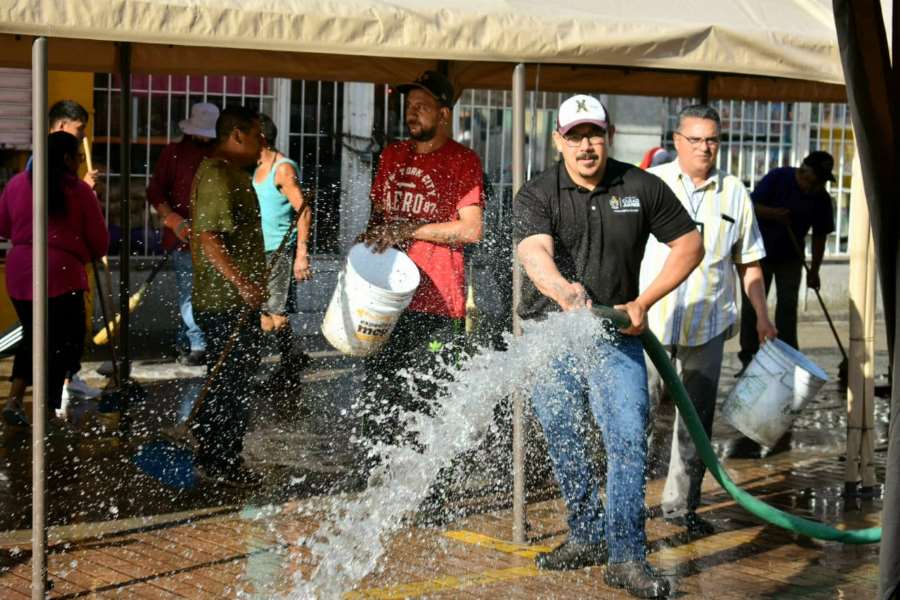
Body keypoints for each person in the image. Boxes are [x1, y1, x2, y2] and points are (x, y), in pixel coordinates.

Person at [514, 94, 703, 598]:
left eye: (593, 134)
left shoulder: (640, 185)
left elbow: (690, 245)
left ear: (609, 134)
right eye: (574, 136)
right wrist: (561, 289)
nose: (585, 145)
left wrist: (643, 301)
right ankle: (585, 533)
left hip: (616, 333)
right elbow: (534, 252)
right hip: (551, 335)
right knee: (563, 439)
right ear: (558, 140)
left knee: (626, 441)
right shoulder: (538, 193)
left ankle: (625, 556)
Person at [641, 105, 777, 537]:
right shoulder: (652, 185)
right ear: (677, 141)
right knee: (634, 421)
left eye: (712, 140)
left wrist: (763, 317)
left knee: (694, 426)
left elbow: (749, 263)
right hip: (650, 327)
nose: (705, 148)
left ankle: (681, 509)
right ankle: (622, 508)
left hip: (708, 327)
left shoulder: (735, 192)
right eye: (696, 139)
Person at [357, 70, 484, 446]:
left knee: (431, 405)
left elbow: (471, 230)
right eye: (409, 106)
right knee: (378, 399)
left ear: (444, 114)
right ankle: (374, 483)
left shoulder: (464, 161)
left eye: (421, 107)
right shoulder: (393, 155)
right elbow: (378, 220)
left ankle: (431, 497)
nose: (411, 114)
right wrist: (367, 243)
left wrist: (408, 230)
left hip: (438, 305)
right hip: (385, 300)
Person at [0, 132, 109, 427]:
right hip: (62, 276)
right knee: (62, 345)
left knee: (33, 335)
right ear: (66, 159)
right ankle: (47, 410)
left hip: (21, 273)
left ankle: (14, 399)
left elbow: (4, 227)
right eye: (78, 157)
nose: (79, 163)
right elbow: (100, 241)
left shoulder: (16, 184)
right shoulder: (79, 191)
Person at [190, 105, 267, 485]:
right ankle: (220, 461)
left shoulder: (233, 174)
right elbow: (208, 239)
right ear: (237, 134)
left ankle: (215, 455)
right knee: (228, 386)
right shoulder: (218, 176)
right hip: (226, 303)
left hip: (235, 302)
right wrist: (243, 284)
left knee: (230, 383)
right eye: (257, 135)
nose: (262, 144)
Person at [738, 151, 837, 371]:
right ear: (803, 171)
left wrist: (814, 270)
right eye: (812, 180)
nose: (815, 187)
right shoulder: (778, 178)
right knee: (753, 306)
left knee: (788, 306)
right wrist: (773, 214)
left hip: (791, 257)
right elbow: (750, 207)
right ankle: (749, 357)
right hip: (760, 254)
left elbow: (820, 235)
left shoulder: (821, 199)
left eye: (820, 182)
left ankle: (787, 356)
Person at [147, 102, 219, 366]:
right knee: (189, 293)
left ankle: (186, 339)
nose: (204, 138)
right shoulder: (173, 153)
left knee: (205, 295)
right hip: (183, 239)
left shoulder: (222, 156)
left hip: (214, 238)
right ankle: (198, 344)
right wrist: (172, 219)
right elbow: (155, 191)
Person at [252, 114, 312, 385]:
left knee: (275, 316)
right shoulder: (255, 167)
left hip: (278, 251)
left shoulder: (283, 169)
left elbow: (304, 210)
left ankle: (288, 368)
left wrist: (301, 254)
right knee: (265, 316)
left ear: (260, 138)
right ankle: (291, 360)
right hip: (258, 252)